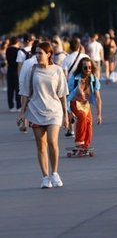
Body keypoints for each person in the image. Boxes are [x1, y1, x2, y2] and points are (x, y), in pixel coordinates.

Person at [18, 41, 69, 188]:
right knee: (41, 145)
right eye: (36, 53)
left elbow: (62, 95)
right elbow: (25, 93)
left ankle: (55, 173)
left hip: (54, 111)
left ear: (49, 54)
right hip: (35, 111)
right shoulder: (31, 70)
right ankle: (45, 177)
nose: (38, 56)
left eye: (41, 53)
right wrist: (22, 112)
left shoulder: (57, 70)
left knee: (52, 142)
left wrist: (66, 115)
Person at [67, 57, 102, 150]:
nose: (88, 70)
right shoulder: (74, 79)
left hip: (85, 104)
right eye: (85, 68)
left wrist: (99, 114)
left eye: (90, 67)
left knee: (89, 122)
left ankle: (86, 145)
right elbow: (67, 95)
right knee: (82, 116)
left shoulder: (93, 79)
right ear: (81, 68)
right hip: (74, 102)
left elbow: (98, 98)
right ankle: (79, 142)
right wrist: (69, 113)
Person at [61, 37, 89, 137]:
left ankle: (71, 129)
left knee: (70, 105)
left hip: (71, 84)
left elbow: (64, 74)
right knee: (84, 104)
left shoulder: (66, 59)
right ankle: (84, 124)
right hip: (84, 84)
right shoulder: (85, 56)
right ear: (79, 47)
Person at [6, 36, 21, 112]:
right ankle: (18, 106)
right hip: (16, 70)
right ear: (17, 42)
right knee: (17, 89)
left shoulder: (8, 49)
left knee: (10, 89)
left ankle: (11, 106)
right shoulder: (18, 50)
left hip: (9, 70)